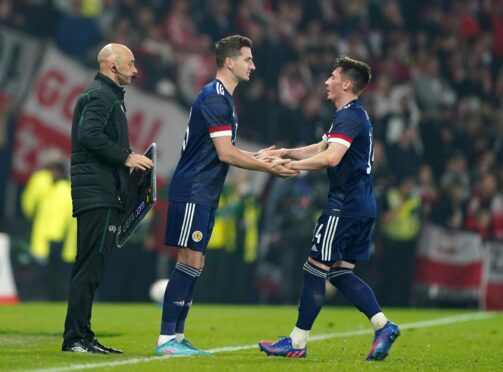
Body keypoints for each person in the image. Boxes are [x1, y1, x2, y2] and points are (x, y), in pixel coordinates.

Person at [155, 34, 298, 356]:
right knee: (188, 259)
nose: (253, 65)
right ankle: (167, 338)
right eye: (248, 59)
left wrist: (259, 157)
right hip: (193, 188)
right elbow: (225, 154)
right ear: (229, 62)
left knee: (196, 261)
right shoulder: (216, 98)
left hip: (204, 190)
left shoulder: (222, 99)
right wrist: (267, 169)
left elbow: (226, 150)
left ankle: (176, 336)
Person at [257, 56, 400, 360]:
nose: (326, 81)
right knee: (339, 273)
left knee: (314, 268)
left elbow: (330, 158)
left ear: (346, 84)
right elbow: (321, 148)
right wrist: (285, 152)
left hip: (344, 204)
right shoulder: (351, 114)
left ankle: (296, 343)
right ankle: (383, 326)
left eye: (333, 76)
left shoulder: (349, 116)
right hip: (362, 202)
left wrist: (291, 167)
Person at [62, 43, 153, 354]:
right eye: (130, 63)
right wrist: (126, 157)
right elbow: (90, 135)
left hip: (100, 192)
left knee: (91, 267)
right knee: (90, 267)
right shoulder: (101, 95)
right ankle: (76, 338)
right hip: (97, 194)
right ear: (112, 65)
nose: (136, 69)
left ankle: (81, 335)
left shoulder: (107, 95)